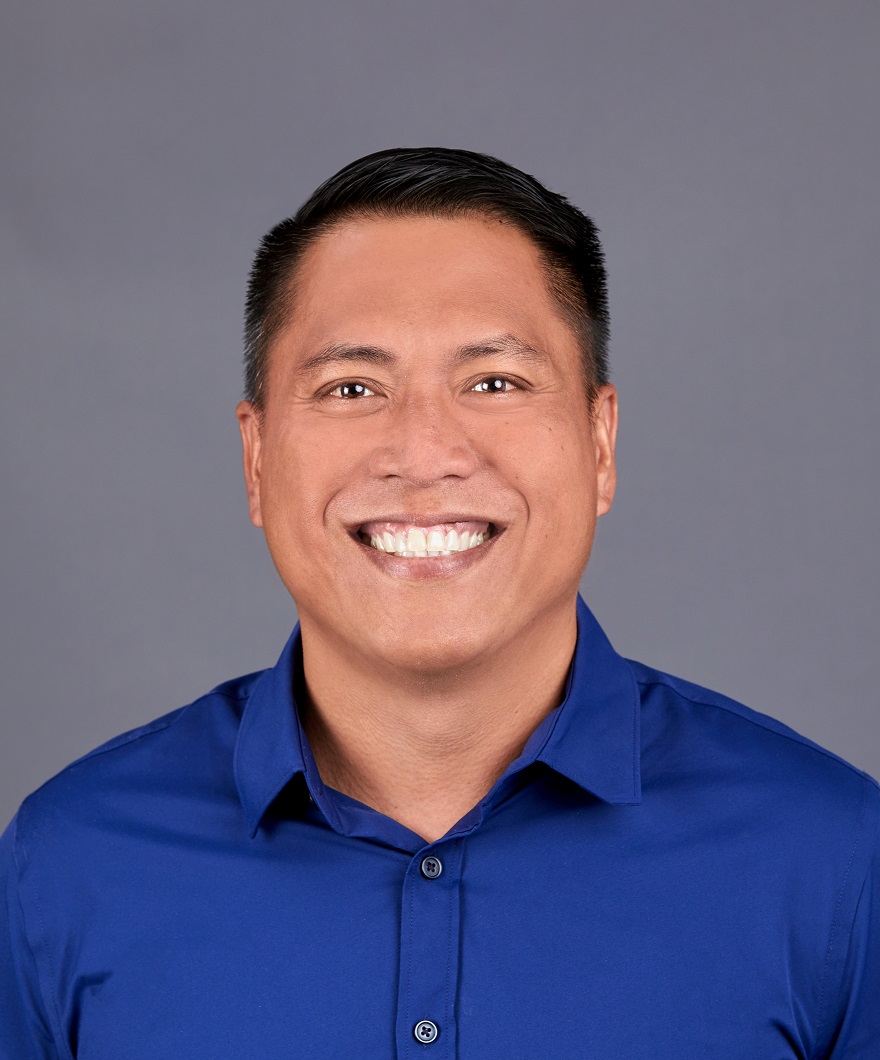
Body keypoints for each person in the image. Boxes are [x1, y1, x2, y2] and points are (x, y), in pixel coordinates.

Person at [1, 147, 877, 1059]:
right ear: (256, 460)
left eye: (494, 383)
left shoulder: (833, 860)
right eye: (352, 388)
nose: (423, 455)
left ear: (600, 442)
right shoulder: (66, 868)